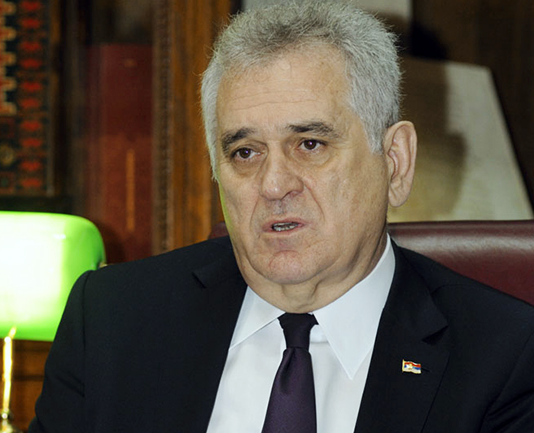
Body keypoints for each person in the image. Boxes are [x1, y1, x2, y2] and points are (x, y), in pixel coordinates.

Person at [29, 2, 534, 432]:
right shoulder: (112, 322)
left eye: (309, 144)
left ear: (395, 162)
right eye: (245, 152)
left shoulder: (505, 358)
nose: (273, 185)